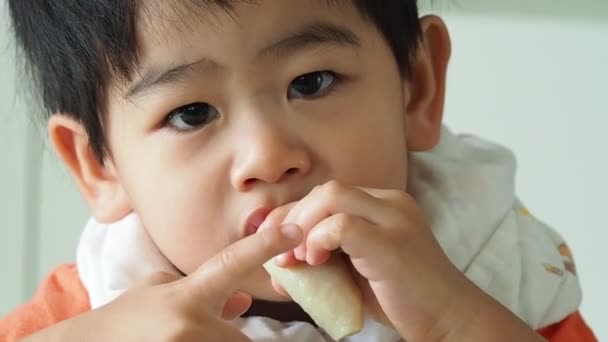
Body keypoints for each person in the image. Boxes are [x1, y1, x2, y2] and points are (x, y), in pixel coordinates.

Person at [0, 1, 597, 341]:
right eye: (191, 113)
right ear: (100, 167)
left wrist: (455, 323)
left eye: (311, 82)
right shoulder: (87, 316)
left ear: (416, 88)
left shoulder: (495, 275)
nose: (267, 155)